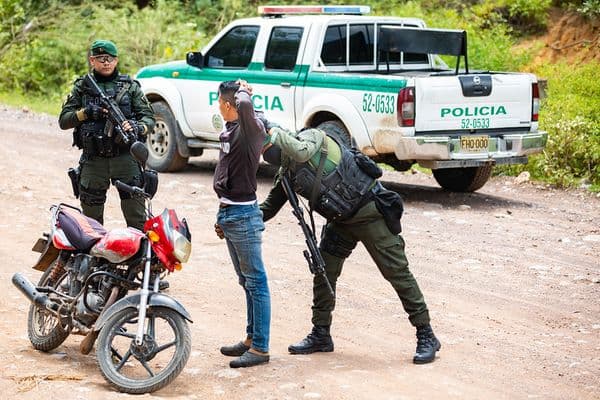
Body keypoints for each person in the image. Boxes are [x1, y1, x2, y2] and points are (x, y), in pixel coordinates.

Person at [259, 122, 441, 364]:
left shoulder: (311, 138)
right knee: (324, 271)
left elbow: (301, 151)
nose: (264, 151)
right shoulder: (287, 174)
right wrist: (236, 217)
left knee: (396, 272)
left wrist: (274, 132)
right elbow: (268, 208)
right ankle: (321, 333)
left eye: (266, 143)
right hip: (341, 220)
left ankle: (426, 334)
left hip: (369, 211)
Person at [58, 40, 168, 291]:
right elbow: (64, 120)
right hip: (94, 162)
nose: (105, 62)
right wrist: (87, 113)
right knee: (90, 221)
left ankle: (143, 270)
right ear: (92, 61)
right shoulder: (81, 87)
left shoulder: (130, 87)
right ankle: (92, 272)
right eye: (100, 58)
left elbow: (149, 118)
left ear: (116, 61)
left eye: (110, 58)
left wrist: (137, 128)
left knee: (137, 217)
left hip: (125, 160)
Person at [213, 80, 271, 368]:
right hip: (231, 214)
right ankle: (250, 339)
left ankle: (260, 348)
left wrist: (244, 90)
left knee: (256, 283)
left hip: (245, 216)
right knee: (246, 282)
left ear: (226, 105)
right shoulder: (233, 130)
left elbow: (246, 105)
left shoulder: (251, 129)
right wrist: (220, 215)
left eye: (220, 102)